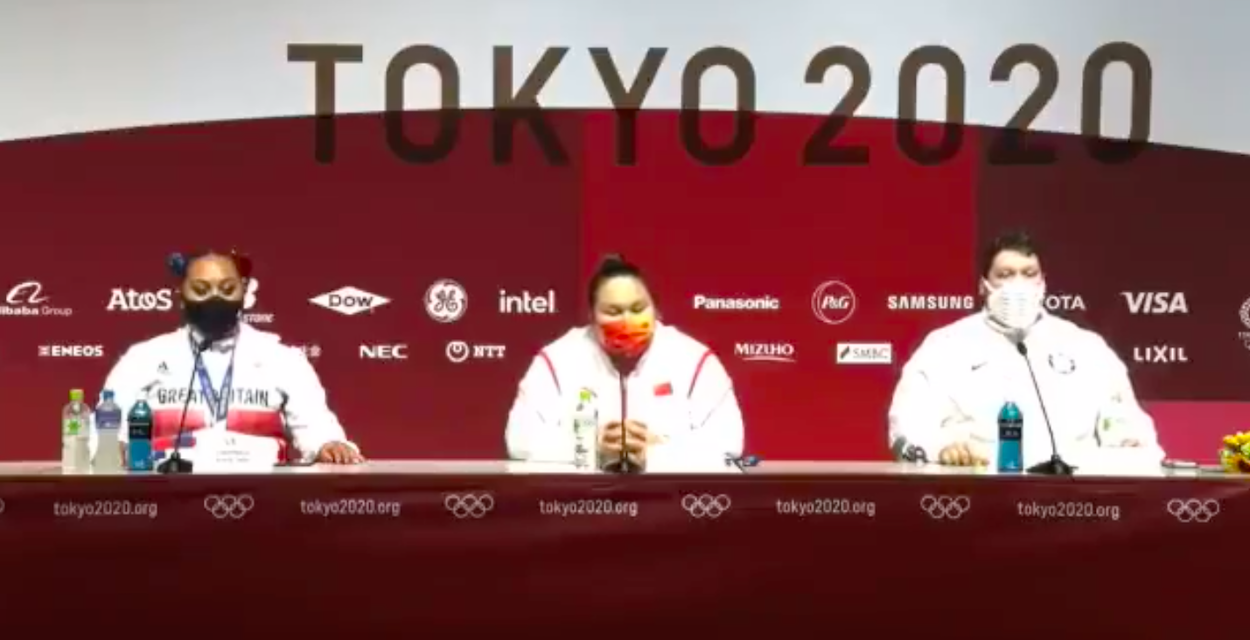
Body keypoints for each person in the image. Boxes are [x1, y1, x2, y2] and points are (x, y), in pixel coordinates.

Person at [887, 231, 1163, 468]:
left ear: (1043, 282)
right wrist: (942, 449)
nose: (1018, 284)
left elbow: (1127, 424)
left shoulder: (1086, 346)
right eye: (1005, 275)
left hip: (1074, 499)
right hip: (975, 494)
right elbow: (907, 428)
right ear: (983, 285)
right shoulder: (945, 346)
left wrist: (1128, 445)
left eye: (1028, 274)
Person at [96, 251, 362, 465]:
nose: (215, 298)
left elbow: (316, 426)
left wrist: (328, 444)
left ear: (243, 292)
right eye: (201, 289)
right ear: (181, 294)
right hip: (166, 499)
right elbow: (105, 433)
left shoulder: (282, 358)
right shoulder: (144, 357)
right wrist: (111, 447)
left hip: (266, 502)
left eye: (227, 289)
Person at [506, 255, 745, 472]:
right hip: (579, 505)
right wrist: (591, 446)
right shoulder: (557, 360)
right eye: (613, 311)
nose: (627, 321)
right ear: (591, 316)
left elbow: (730, 444)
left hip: (673, 507)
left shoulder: (694, 360)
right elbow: (518, 439)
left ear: (656, 310)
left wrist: (658, 451)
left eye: (638, 308)